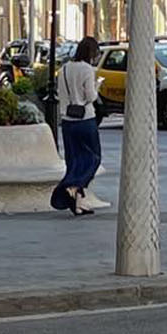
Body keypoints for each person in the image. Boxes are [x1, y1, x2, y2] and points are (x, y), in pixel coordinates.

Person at [51, 36, 101, 217]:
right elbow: (90, 96)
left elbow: (60, 93)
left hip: (67, 121)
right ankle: (71, 186)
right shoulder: (87, 70)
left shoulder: (63, 69)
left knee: (74, 160)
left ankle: (78, 202)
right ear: (91, 53)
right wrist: (97, 87)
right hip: (85, 119)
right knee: (93, 158)